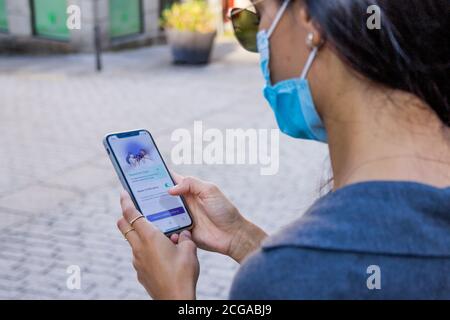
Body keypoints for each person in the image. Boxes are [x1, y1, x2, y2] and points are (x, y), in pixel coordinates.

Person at [116, 0, 450, 299]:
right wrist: (243, 240)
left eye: (257, 18)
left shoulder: (286, 277)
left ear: (310, 22)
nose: (258, 45)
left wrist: (174, 296)